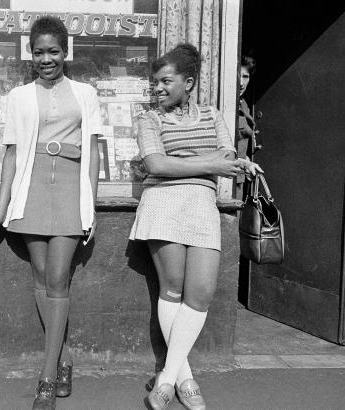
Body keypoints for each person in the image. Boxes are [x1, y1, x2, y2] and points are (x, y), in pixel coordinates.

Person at [0, 16, 101, 410]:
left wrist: (91, 202)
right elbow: (11, 154)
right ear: (30, 54)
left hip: (69, 185)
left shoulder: (86, 93)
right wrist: (3, 204)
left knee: (59, 278)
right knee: (41, 277)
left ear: (66, 52)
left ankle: (47, 377)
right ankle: (63, 359)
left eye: (54, 51)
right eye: (39, 52)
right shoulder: (18, 96)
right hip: (30, 188)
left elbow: (94, 152)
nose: (46, 59)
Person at [130, 44, 261, 410]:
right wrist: (212, 164)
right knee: (171, 290)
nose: (157, 89)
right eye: (154, 82)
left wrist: (239, 163)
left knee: (200, 294)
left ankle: (166, 377)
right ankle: (184, 380)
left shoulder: (214, 114)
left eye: (165, 81)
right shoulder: (148, 119)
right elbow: (155, 164)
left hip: (202, 205)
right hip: (163, 203)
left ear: (188, 82)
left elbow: (228, 155)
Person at [237, 54, 262, 199]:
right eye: (238, 75)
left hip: (240, 178)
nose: (241, 82)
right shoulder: (227, 104)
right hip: (226, 178)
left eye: (245, 77)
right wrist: (244, 163)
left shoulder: (243, 104)